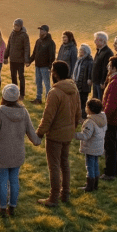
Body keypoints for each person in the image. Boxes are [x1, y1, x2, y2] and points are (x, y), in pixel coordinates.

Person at [0, 84, 41, 216]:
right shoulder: (24, 112)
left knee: (3, 180)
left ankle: (2, 208)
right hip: (17, 153)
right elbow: (32, 133)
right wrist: (37, 141)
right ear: (17, 98)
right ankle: (12, 207)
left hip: (2, 154)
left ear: (3, 97)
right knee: (14, 179)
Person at [36, 61, 81, 207]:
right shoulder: (74, 89)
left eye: (51, 71)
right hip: (68, 133)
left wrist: (39, 133)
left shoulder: (55, 92)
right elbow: (78, 113)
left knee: (54, 166)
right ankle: (65, 194)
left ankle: (53, 198)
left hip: (55, 135)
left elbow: (48, 117)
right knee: (64, 164)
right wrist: (72, 128)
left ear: (55, 73)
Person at [74, 98, 107, 192]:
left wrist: (74, 134)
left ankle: (90, 186)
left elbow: (85, 135)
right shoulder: (102, 117)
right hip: (99, 146)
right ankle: (95, 184)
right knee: (95, 164)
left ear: (89, 109)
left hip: (91, 147)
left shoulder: (90, 122)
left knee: (90, 166)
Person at [28, 24, 56, 105]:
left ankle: (48, 100)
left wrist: (50, 67)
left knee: (47, 84)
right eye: (40, 30)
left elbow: (52, 56)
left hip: (45, 67)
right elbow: (34, 53)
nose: (40, 31)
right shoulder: (38, 41)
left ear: (46, 32)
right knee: (38, 82)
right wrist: (29, 61)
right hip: (37, 66)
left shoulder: (50, 42)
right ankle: (38, 99)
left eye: (42, 30)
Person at [4, 18, 30, 100]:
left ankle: (22, 94)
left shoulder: (24, 35)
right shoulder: (12, 34)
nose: (15, 27)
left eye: (17, 26)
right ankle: (15, 93)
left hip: (20, 60)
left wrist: (26, 60)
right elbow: (9, 46)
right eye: (14, 25)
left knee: (21, 77)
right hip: (12, 59)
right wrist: (5, 56)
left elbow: (27, 48)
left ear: (21, 26)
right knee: (13, 76)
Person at [72, 44, 94, 119]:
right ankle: (78, 115)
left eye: (82, 50)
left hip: (84, 84)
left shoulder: (89, 61)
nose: (80, 51)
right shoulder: (79, 59)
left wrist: (89, 79)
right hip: (77, 83)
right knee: (77, 100)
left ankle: (83, 116)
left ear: (86, 51)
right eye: (80, 50)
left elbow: (90, 71)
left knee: (83, 101)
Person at [90, 31, 113, 100]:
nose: (95, 42)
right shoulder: (99, 51)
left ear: (103, 41)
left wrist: (103, 81)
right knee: (95, 100)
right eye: (95, 39)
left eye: (97, 40)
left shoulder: (107, 52)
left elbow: (105, 68)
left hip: (100, 83)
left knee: (100, 101)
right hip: (95, 81)